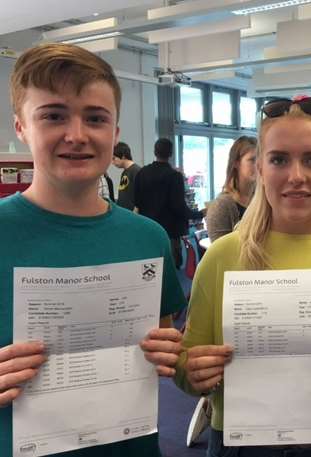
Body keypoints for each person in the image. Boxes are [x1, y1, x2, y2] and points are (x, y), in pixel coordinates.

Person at [174, 96, 311, 457]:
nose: (296, 176)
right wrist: (195, 373)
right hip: (242, 444)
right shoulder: (222, 257)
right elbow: (186, 370)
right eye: (279, 160)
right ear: (260, 169)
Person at [0, 42, 186, 457]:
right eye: (53, 115)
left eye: (95, 118)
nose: (77, 135)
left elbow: (164, 335)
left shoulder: (147, 237)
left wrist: (170, 350)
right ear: (21, 127)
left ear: (115, 132)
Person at [134, 138, 204, 269]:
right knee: (170, 272)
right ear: (171, 153)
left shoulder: (142, 173)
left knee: (149, 272)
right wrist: (199, 214)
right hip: (170, 234)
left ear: (155, 151)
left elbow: (136, 202)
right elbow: (179, 207)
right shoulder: (174, 176)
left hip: (148, 232)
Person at [206, 135, 257, 241]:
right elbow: (221, 252)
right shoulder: (221, 206)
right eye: (252, 160)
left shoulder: (264, 199)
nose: (259, 165)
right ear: (236, 163)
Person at [112, 141, 141, 210]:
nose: (112, 162)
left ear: (123, 156)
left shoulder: (136, 171)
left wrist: (135, 213)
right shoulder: (125, 172)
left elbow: (140, 196)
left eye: (114, 158)